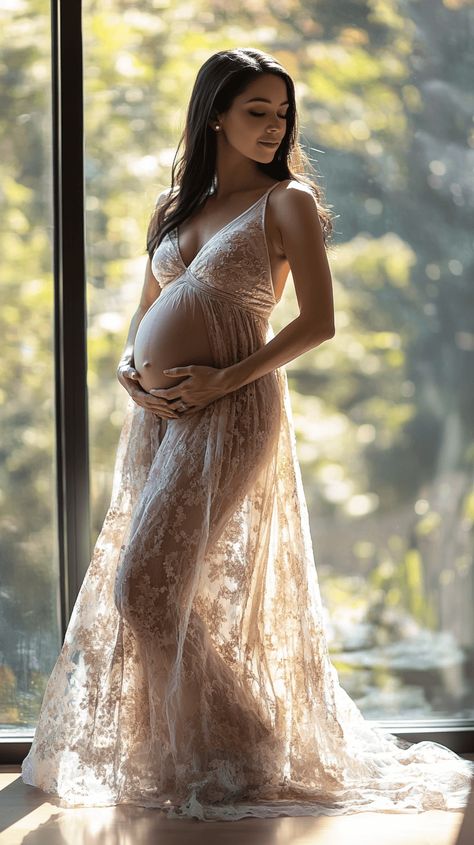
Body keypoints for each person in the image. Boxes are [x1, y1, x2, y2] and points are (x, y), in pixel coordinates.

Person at [21, 47, 474, 822]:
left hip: (234, 409)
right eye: (256, 111)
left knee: (145, 588)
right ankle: (207, 747)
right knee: (164, 587)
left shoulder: (286, 201)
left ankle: (249, 743)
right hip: (160, 416)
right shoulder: (176, 208)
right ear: (215, 117)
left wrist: (221, 381)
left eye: (281, 113)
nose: (274, 126)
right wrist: (132, 371)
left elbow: (319, 323)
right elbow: (143, 313)